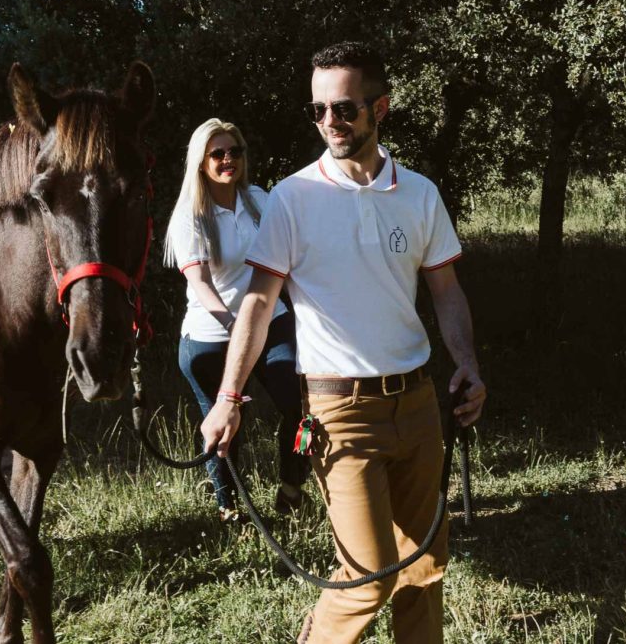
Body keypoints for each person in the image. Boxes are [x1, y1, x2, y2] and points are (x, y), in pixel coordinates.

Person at [201, 43, 487, 643]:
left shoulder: (420, 194)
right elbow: (257, 302)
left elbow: (447, 292)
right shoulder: (293, 198)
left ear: (379, 108)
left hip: (417, 402)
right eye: (318, 111)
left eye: (343, 108)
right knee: (368, 578)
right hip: (339, 412)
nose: (329, 121)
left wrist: (467, 365)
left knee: (427, 568)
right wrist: (228, 395)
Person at [164, 118, 310, 523]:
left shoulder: (259, 200)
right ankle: (230, 508)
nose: (229, 159)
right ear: (201, 161)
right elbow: (200, 284)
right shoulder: (189, 217)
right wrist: (238, 328)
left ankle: (292, 489)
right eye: (218, 153)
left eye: (236, 151)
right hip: (211, 334)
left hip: (271, 320)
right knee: (226, 424)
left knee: (301, 407)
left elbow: (289, 261)